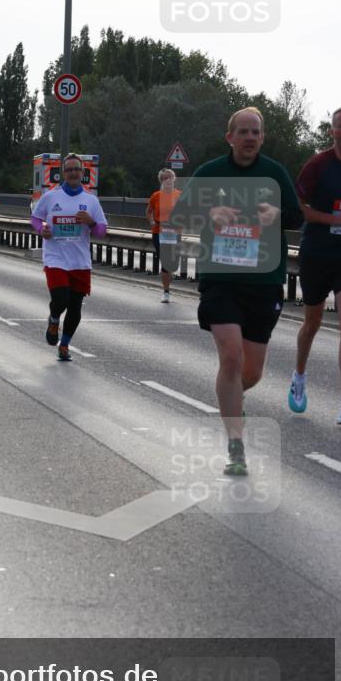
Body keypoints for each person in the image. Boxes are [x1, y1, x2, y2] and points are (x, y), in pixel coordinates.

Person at [171, 106, 304, 475]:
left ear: (262, 138)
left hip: (263, 282)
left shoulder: (274, 174)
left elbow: (296, 217)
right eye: (242, 132)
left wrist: (275, 215)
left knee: (252, 371)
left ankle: (234, 398)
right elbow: (180, 217)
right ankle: (235, 445)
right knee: (230, 357)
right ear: (229, 137)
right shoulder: (210, 173)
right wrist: (208, 214)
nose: (249, 138)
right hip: (221, 279)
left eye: (255, 132)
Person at [288, 106, 341, 426]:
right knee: (312, 323)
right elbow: (298, 206)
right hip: (317, 253)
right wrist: (332, 218)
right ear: (332, 132)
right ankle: (299, 375)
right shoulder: (318, 165)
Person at [30, 153, 108, 361]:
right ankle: (54, 318)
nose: (73, 173)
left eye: (77, 170)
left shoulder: (90, 200)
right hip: (55, 257)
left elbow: (101, 231)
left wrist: (91, 222)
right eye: (69, 170)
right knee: (61, 297)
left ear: (82, 173)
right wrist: (42, 229)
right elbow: (36, 219)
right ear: (63, 173)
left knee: (75, 306)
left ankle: (64, 345)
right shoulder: (50, 197)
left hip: (80, 261)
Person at [145, 167, 183, 302]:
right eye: (164, 178)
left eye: (170, 177)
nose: (168, 180)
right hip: (159, 233)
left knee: (173, 264)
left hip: (175, 233)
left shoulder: (180, 195)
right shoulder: (156, 196)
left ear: (174, 179)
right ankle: (166, 292)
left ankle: (169, 273)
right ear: (161, 181)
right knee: (166, 262)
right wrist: (151, 221)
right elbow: (148, 212)